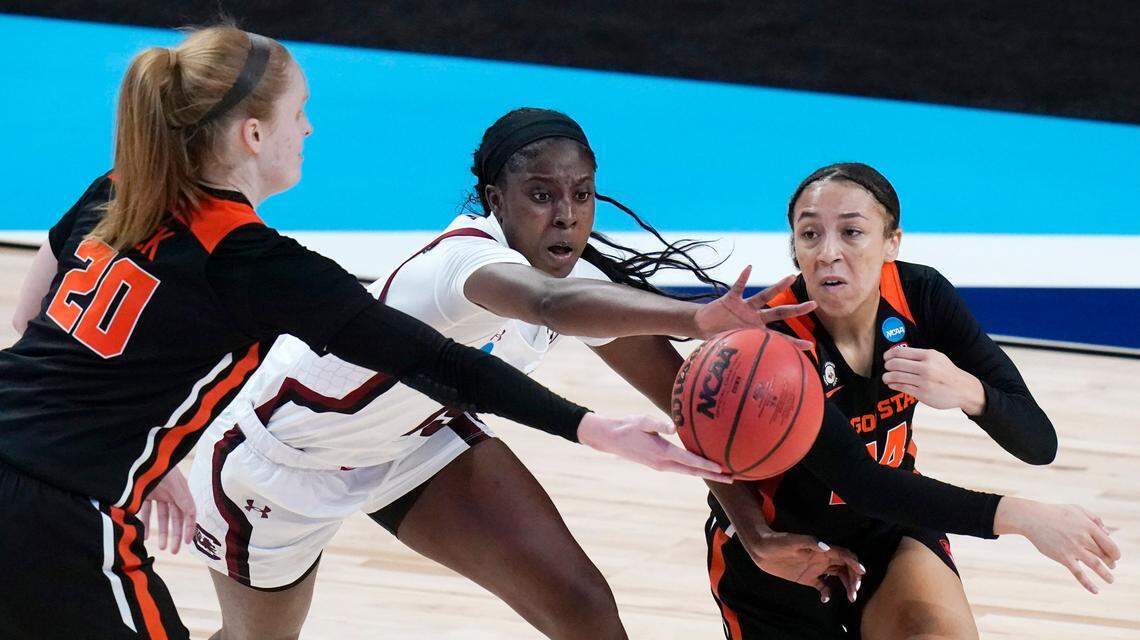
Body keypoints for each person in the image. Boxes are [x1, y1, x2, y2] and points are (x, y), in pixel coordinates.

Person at [0, 30, 730, 640]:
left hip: (404, 443)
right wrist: (601, 419)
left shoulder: (122, 185)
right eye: (300, 113)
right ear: (254, 135)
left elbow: (30, 318)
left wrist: (140, 449)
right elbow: (446, 363)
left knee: (583, 606)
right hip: (205, 485)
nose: (309, 129)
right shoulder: (264, 264)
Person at [185, 107, 820, 640]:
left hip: (416, 446)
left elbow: (691, 407)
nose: (567, 215)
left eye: (582, 193)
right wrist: (692, 317)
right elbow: (547, 305)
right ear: (496, 200)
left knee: (585, 609)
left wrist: (752, 524)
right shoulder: (460, 265)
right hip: (278, 464)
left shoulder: (581, 282)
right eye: (542, 195)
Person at [699, 163, 1121, 639]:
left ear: (891, 243)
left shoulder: (920, 294)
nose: (828, 253)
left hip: (891, 526)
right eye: (810, 234)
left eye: (852, 232)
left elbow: (1038, 442)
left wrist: (969, 391)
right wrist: (1020, 516)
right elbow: (859, 481)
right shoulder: (769, 343)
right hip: (778, 547)